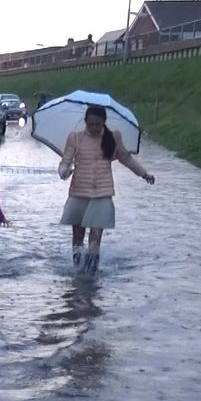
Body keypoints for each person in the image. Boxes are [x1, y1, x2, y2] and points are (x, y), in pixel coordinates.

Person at [58, 105, 156, 274]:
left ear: (104, 122)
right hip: (79, 192)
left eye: (98, 124)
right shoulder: (75, 138)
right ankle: (77, 269)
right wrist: (64, 172)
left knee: (96, 234)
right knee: (78, 235)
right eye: (91, 124)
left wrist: (144, 174)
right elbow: (65, 161)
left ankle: (91, 271)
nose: (94, 128)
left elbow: (126, 159)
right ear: (86, 122)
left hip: (102, 193)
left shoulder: (113, 138)